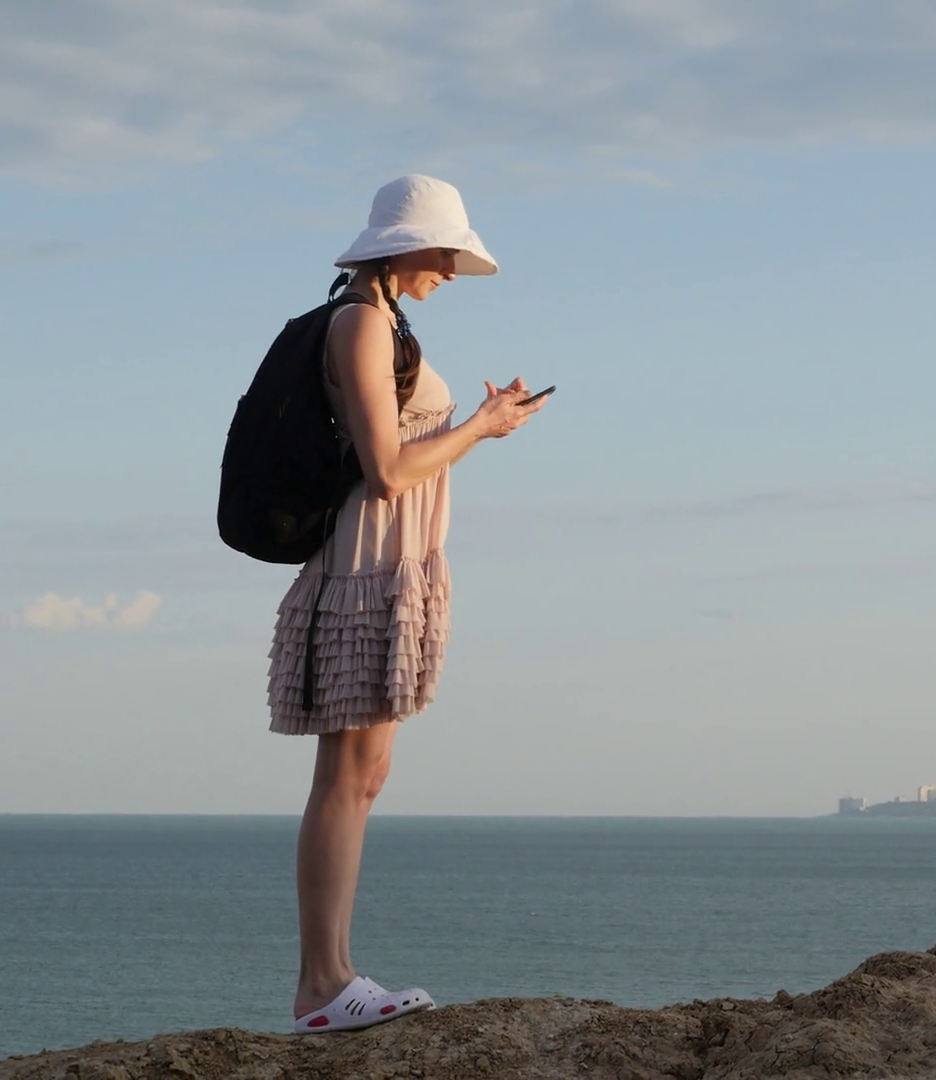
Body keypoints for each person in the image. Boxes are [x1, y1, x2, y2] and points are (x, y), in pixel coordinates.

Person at [266, 175, 547, 1034]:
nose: (452, 272)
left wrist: (485, 421)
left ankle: (337, 974)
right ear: (404, 245)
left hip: (393, 560)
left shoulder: (385, 323)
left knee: (365, 775)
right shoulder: (360, 323)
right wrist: (480, 428)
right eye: (446, 254)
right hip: (366, 560)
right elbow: (387, 471)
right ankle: (321, 985)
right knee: (345, 775)